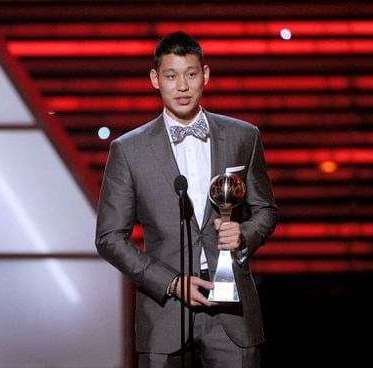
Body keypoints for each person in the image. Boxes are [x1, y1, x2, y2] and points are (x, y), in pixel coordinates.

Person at [95, 31, 279, 368]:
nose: (182, 85)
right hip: (164, 310)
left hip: (232, 313)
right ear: (155, 79)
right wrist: (169, 282)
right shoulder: (128, 150)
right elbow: (109, 237)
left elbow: (266, 209)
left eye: (191, 74)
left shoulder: (243, 136)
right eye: (171, 75)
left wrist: (244, 235)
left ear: (205, 75)